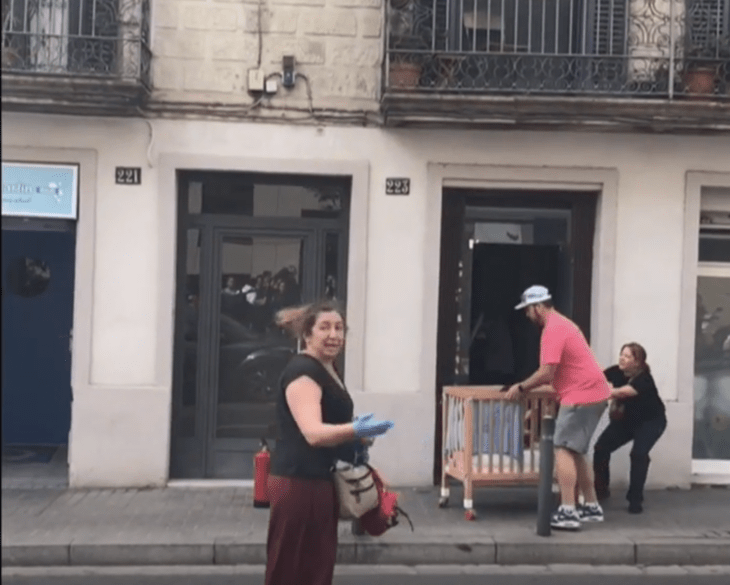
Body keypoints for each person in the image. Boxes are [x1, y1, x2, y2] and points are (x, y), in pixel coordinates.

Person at [265, 300, 394, 585]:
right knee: (290, 571)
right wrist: (355, 428)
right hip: (298, 484)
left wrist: (362, 453)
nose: (334, 334)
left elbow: (333, 427)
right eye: (324, 327)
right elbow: (313, 433)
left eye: (339, 328)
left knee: (316, 570)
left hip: (318, 483)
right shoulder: (303, 372)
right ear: (307, 335)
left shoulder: (326, 369)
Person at [505, 285, 610, 531]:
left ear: (539, 307)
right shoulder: (566, 324)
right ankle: (591, 506)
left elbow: (546, 372)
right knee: (576, 451)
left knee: (561, 448)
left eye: (528, 310)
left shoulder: (553, 330)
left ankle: (568, 510)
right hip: (595, 393)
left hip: (580, 396)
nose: (527, 315)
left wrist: (521, 388)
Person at [593, 342, 667, 514]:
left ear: (638, 361)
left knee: (639, 454)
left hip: (650, 422)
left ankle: (635, 499)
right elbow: (597, 378)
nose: (622, 358)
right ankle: (601, 489)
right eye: (621, 354)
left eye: (627, 356)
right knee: (601, 448)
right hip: (626, 422)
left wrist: (607, 390)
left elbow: (623, 392)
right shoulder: (616, 372)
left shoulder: (644, 379)